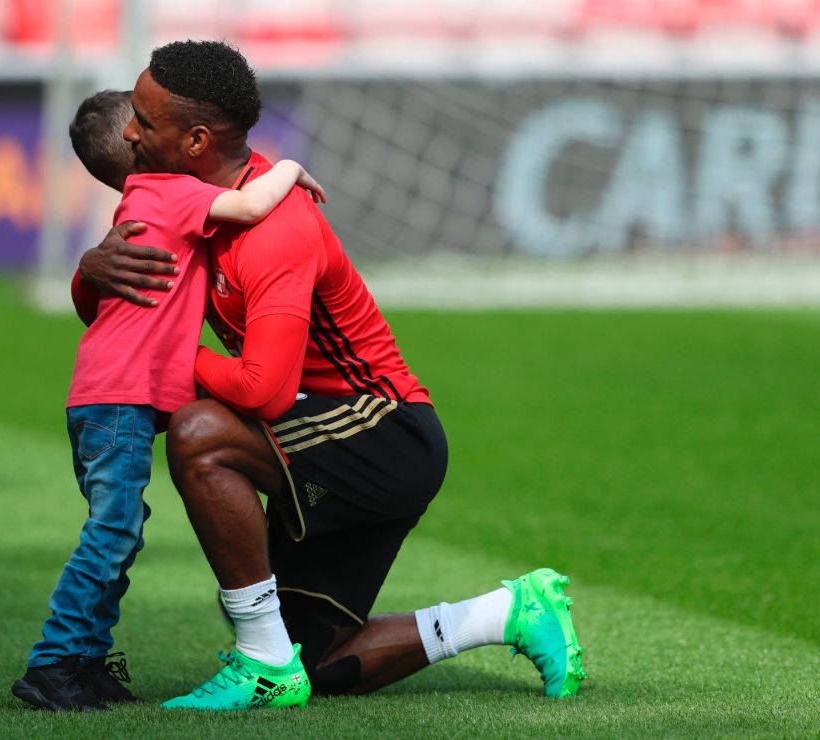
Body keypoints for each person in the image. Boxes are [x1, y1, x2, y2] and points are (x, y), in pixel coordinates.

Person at [78, 40, 587, 711]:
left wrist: (170, 362)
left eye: (144, 119)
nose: (130, 133)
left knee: (199, 431)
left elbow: (264, 390)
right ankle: (509, 613)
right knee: (319, 662)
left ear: (196, 139)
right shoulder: (189, 207)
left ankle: (260, 664)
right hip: (313, 435)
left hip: (381, 429)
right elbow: (117, 318)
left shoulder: (274, 230)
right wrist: (92, 271)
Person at [11, 88, 326, 713]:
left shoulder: (136, 206)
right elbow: (252, 201)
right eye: (151, 120)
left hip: (104, 398)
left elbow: (96, 310)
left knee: (120, 531)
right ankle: (54, 662)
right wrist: (288, 168)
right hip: (119, 401)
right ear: (140, 144)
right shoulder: (172, 194)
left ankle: (86, 660)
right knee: (111, 532)